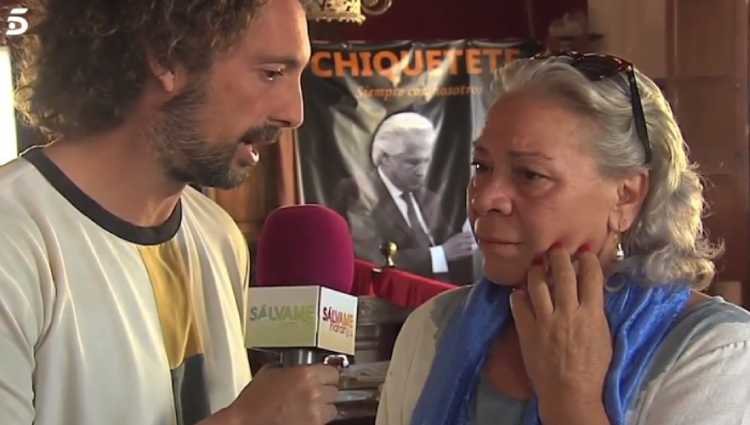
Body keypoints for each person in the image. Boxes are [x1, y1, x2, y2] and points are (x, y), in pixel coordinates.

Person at [0, 1, 341, 425]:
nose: (294, 113)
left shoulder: (218, 236)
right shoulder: (13, 236)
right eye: (271, 73)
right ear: (167, 57)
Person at [376, 53, 750, 425]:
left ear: (626, 196)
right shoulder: (432, 330)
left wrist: (571, 400)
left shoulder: (719, 353)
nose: (485, 198)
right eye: (482, 167)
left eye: (530, 174)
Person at [333, 111, 476, 283]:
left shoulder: (428, 198)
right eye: (413, 162)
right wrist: (440, 254)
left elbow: (452, 245)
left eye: (426, 161)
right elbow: (370, 258)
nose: (422, 172)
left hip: (440, 298)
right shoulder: (358, 192)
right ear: (385, 158)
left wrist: (469, 238)